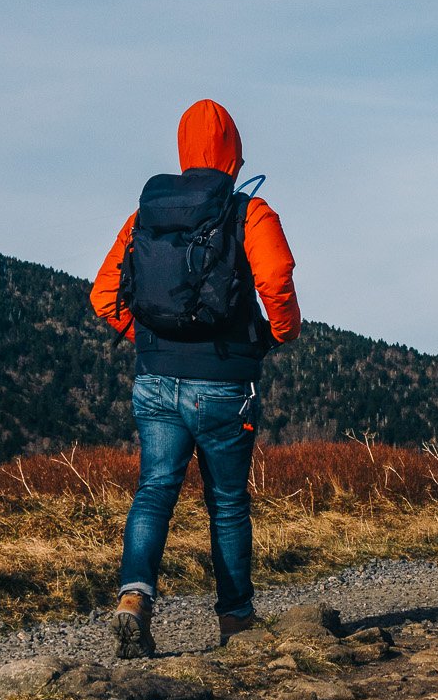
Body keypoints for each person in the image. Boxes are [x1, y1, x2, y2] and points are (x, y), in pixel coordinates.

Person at [90, 99, 301, 658]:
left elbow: (103, 297)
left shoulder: (146, 216)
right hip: (226, 385)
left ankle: (133, 601)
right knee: (227, 502)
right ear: (233, 150)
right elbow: (276, 276)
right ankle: (235, 622)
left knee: (155, 489)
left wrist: (149, 341)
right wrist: (278, 333)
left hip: (155, 381)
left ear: (184, 151)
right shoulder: (249, 213)